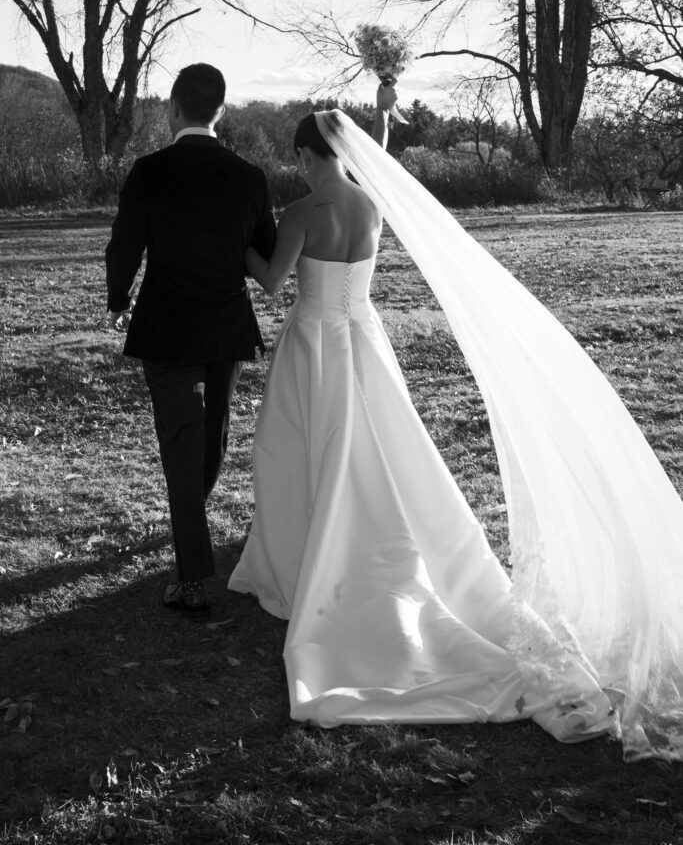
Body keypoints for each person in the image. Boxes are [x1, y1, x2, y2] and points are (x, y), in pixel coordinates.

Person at [229, 86, 683, 761]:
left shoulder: (299, 209)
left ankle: (305, 561)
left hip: (313, 345)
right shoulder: (374, 205)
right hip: (361, 339)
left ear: (303, 153)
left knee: (298, 447)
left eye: (297, 155)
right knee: (374, 447)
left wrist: (239, 243)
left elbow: (272, 282)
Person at [106, 63, 276, 621]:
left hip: (168, 325)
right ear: (221, 112)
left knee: (183, 447)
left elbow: (125, 243)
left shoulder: (150, 171)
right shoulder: (250, 177)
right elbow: (266, 252)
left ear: (174, 107)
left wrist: (117, 298)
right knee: (212, 436)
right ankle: (190, 527)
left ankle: (192, 577)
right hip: (226, 325)